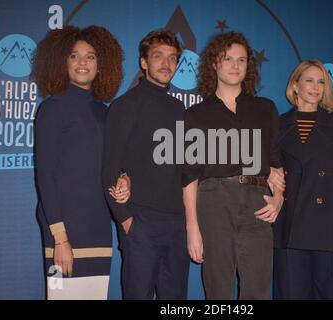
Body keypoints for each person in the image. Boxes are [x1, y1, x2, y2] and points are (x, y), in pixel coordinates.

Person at [182, 32, 284, 300]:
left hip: (257, 201)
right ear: (214, 63)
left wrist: (279, 200)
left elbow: (276, 163)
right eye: (228, 59)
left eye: (241, 60)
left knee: (259, 290)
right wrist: (192, 226)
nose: (235, 65)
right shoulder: (196, 115)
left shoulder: (266, 109)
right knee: (218, 289)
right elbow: (190, 175)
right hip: (214, 200)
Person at [32, 25, 130, 300]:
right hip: (64, 229)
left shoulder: (105, 112)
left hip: (98, 224)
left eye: (91, 56)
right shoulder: (52, 108)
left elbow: (115, 164)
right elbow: (45, 178)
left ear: (102, 65)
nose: (83, 62)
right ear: (63, 62)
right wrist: (60, 239)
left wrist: (125, 179)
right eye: (74, 56)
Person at [102, 29, 190, 300]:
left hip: (177, 224)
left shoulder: (179, 109)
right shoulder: (124, 106)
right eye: (158, 56)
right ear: (143, 62)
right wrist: (125, 218)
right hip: (141, 223)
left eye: (173, 58)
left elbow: (183, 169)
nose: (166, 64)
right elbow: (109, 167)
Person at [272, 60, 333, 300]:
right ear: (295, 85)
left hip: (328, 230)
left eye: (321, 81)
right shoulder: (276, 126)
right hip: (289, 229)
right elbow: (269, 172)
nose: (315, 87)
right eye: (309, 80)